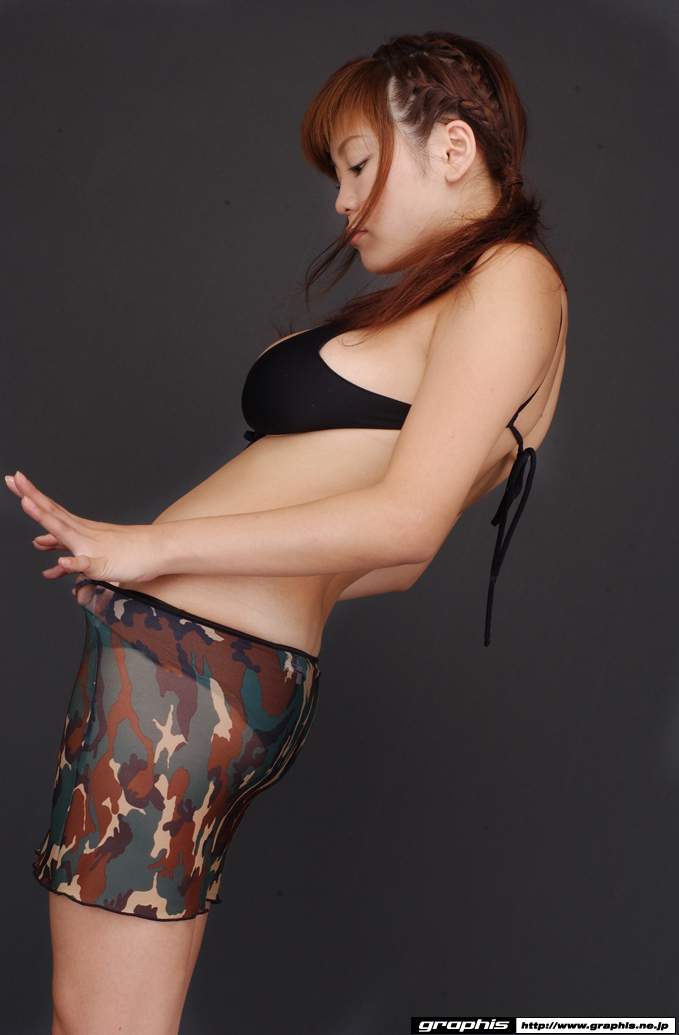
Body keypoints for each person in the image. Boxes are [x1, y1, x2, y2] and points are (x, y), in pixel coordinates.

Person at [7, 30, 567, 1035]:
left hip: (185, 676)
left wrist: (154, 553)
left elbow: (404, 525)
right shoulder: (469, 294)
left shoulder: (511, 279)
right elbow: (387, 560)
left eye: (357, 166)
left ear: (452, 148)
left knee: (95, 1023)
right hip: (203, 670)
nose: (342, 203)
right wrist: (178, 587)